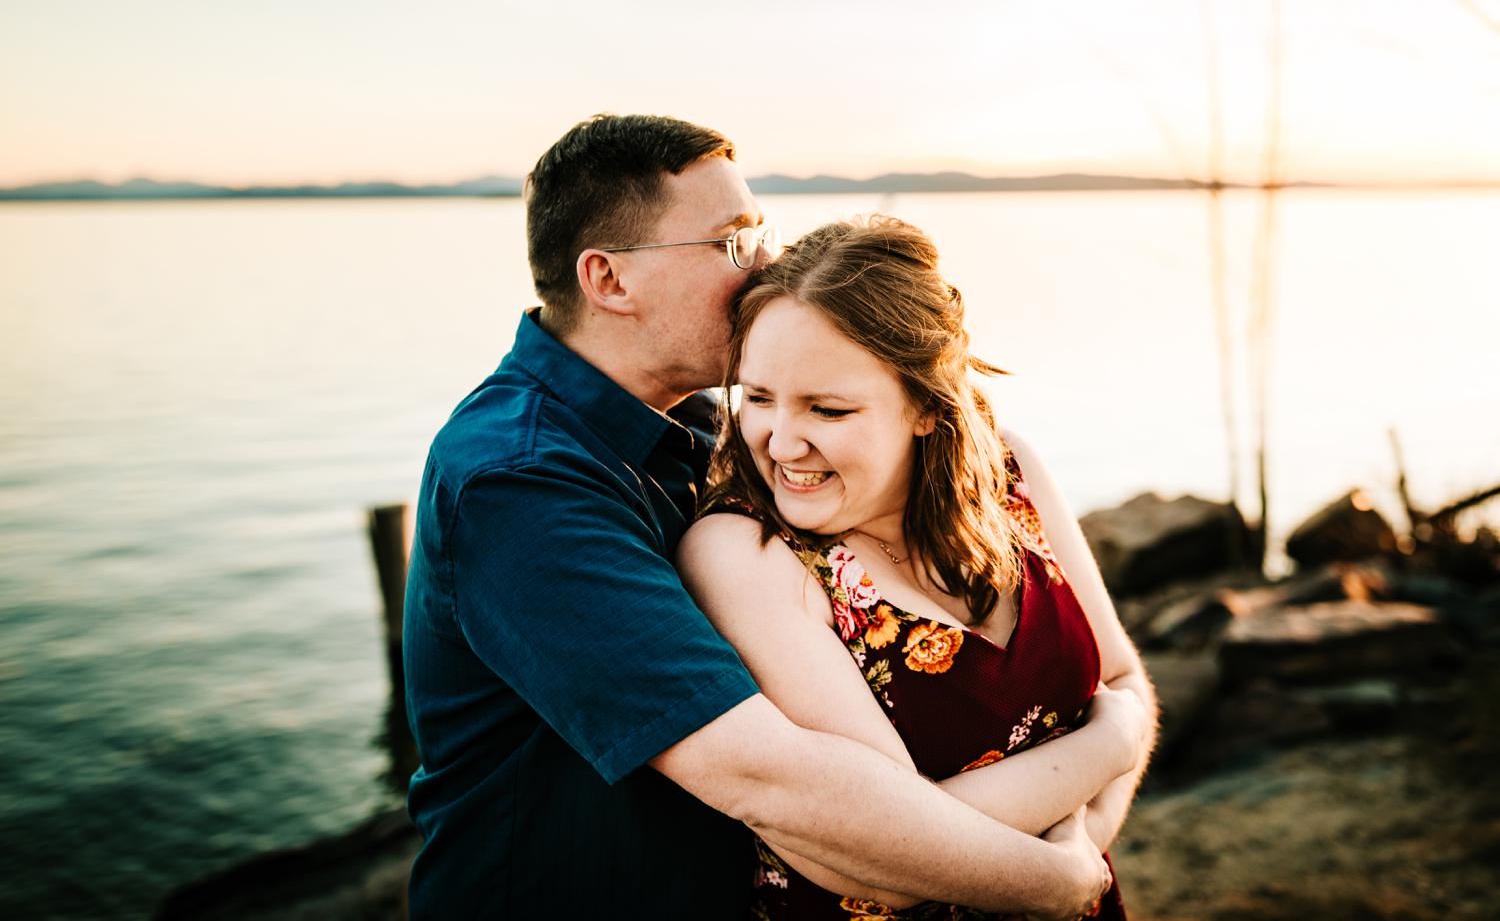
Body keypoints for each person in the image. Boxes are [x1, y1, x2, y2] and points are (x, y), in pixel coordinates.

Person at [401, 114, 1135, 919]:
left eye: (763, 236)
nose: (767, 267)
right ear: (609, 280)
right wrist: (1066, 862)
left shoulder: (707, 431)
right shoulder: (519, 482)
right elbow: (768, 775)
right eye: (735, 243)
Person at [679, 217, 1159, 918]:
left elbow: (1122, 678)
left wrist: (1079, 866)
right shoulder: (747, 556)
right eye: (755, 398)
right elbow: (885, 852)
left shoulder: (1011, 472)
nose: (779, 441)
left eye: (829, 409)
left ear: (927, 404)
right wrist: (1109, 745)